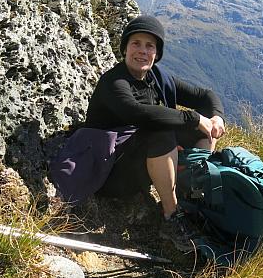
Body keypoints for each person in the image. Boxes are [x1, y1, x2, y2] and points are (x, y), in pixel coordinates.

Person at [51, 14, 226, 252]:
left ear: (157, 53)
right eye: (136, 43)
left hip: (136, 159)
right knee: (162, 133)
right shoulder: (114, 83)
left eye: (150, 46)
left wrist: (215, 118)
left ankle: (192, 199)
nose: (142, 51)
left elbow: (205, 96)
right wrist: (193, 118)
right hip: (108, 173)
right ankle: (171, 217)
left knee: (204, 133)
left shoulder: (158, 78)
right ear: (125, 48)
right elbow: (137, 113)